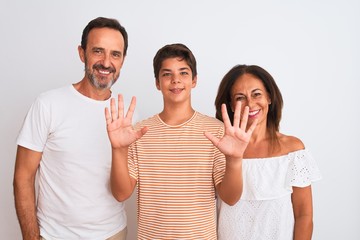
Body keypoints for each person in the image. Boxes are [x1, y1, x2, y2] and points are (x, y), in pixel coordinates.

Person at [104, 43, 257, 239]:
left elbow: (230, 197)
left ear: (194, 80)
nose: (175, 80)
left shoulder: (216, 130)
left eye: (183, 73)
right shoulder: (139, 132)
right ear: (157, 83)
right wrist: (118, 149)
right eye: (167, 74)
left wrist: (235, 159)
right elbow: (121, 194)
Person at [13, 17, 130, 240]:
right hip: (54, 235)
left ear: (122, 61)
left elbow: (124, 188)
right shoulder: (48, 104)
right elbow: (23, 176)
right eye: (98, 51)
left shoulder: (126, 116)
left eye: (115, 54)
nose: (106, 62)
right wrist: (31, 237)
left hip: (112, 233)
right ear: (82, 53)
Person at [214, 64, 322, 240]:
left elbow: (304, 215)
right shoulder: (220, 150)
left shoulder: (293, 149)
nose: (250, 103)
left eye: (257, 94)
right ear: (231, 105)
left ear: (269, 98)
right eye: (240, 97)